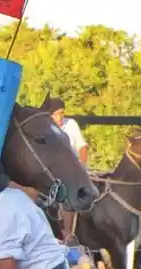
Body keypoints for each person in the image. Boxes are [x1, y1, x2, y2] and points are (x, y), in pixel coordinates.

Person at [45, 97, 89, 247]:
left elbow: (82, 147)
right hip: (50, 171)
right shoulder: (44, 127)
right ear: (50, 115)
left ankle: (68, 234)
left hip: (71, 171)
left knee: (71, 189)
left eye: (63, 113)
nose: (62, 117)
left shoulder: (71, 125)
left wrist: (82, 167)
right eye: (58, 113)